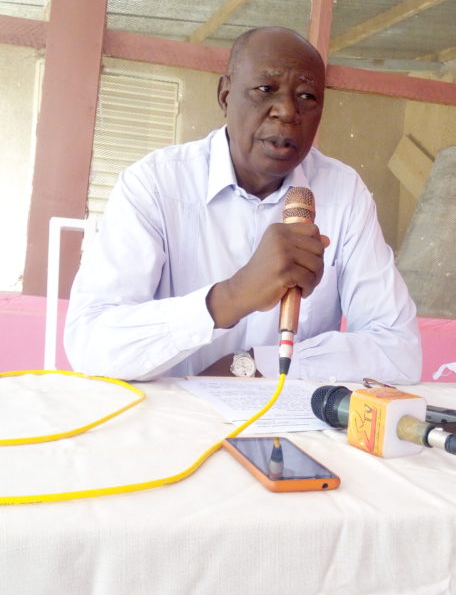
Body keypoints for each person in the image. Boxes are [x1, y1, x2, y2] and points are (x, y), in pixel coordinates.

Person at [65, 26, 422, 383]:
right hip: (174, 412)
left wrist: (253, 365)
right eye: (265, 89)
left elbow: (398, 351)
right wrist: (232, 296)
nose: (287, 111)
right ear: (225, 95)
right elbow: (91, 344)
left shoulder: (344, 193)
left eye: (307, 96)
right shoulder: (156, 184)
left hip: (288, 414)